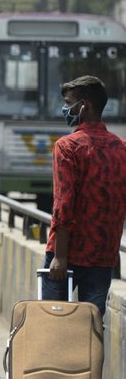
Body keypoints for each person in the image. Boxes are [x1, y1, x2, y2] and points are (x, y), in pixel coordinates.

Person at [44, 75, 126, 317]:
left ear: (84, 106)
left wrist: (59, 257)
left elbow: (64, 204)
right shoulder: (122, 149)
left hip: (66, 254)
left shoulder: (67, 147)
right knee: (91, 329)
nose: (65, 109)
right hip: (102, 256)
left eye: (69, 103)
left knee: (51, 324)